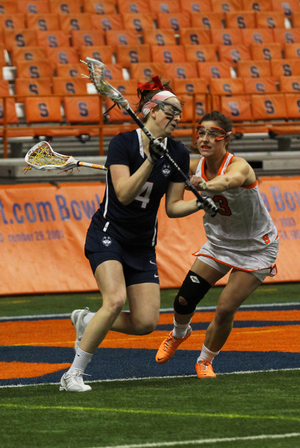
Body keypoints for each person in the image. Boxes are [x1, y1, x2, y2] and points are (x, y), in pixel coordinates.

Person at [59, 76, 217, 392]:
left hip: (142, 243)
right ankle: (72, 375)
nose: (175, 118)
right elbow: (124, 193)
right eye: (169, 111)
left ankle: (89, 322)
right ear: (150, 111)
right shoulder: (123, 144)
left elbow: (173, 207)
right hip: (109, 234)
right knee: (115, 300)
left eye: (178, 114)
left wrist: (201, 204)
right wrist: (149, 162)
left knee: (146, 323)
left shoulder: (177, 154)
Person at [155, 110, 279, 378]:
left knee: (224, 310)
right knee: (184, 299)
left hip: (257, 248)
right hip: (219, 243)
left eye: (214, 134)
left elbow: (229, 181)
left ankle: (205, 361)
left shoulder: (239, 166)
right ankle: (178, 334)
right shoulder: (190, 165)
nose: (205, 138)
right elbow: (167, 179)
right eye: (201, 132)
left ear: (226, 139)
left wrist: (206, 185)